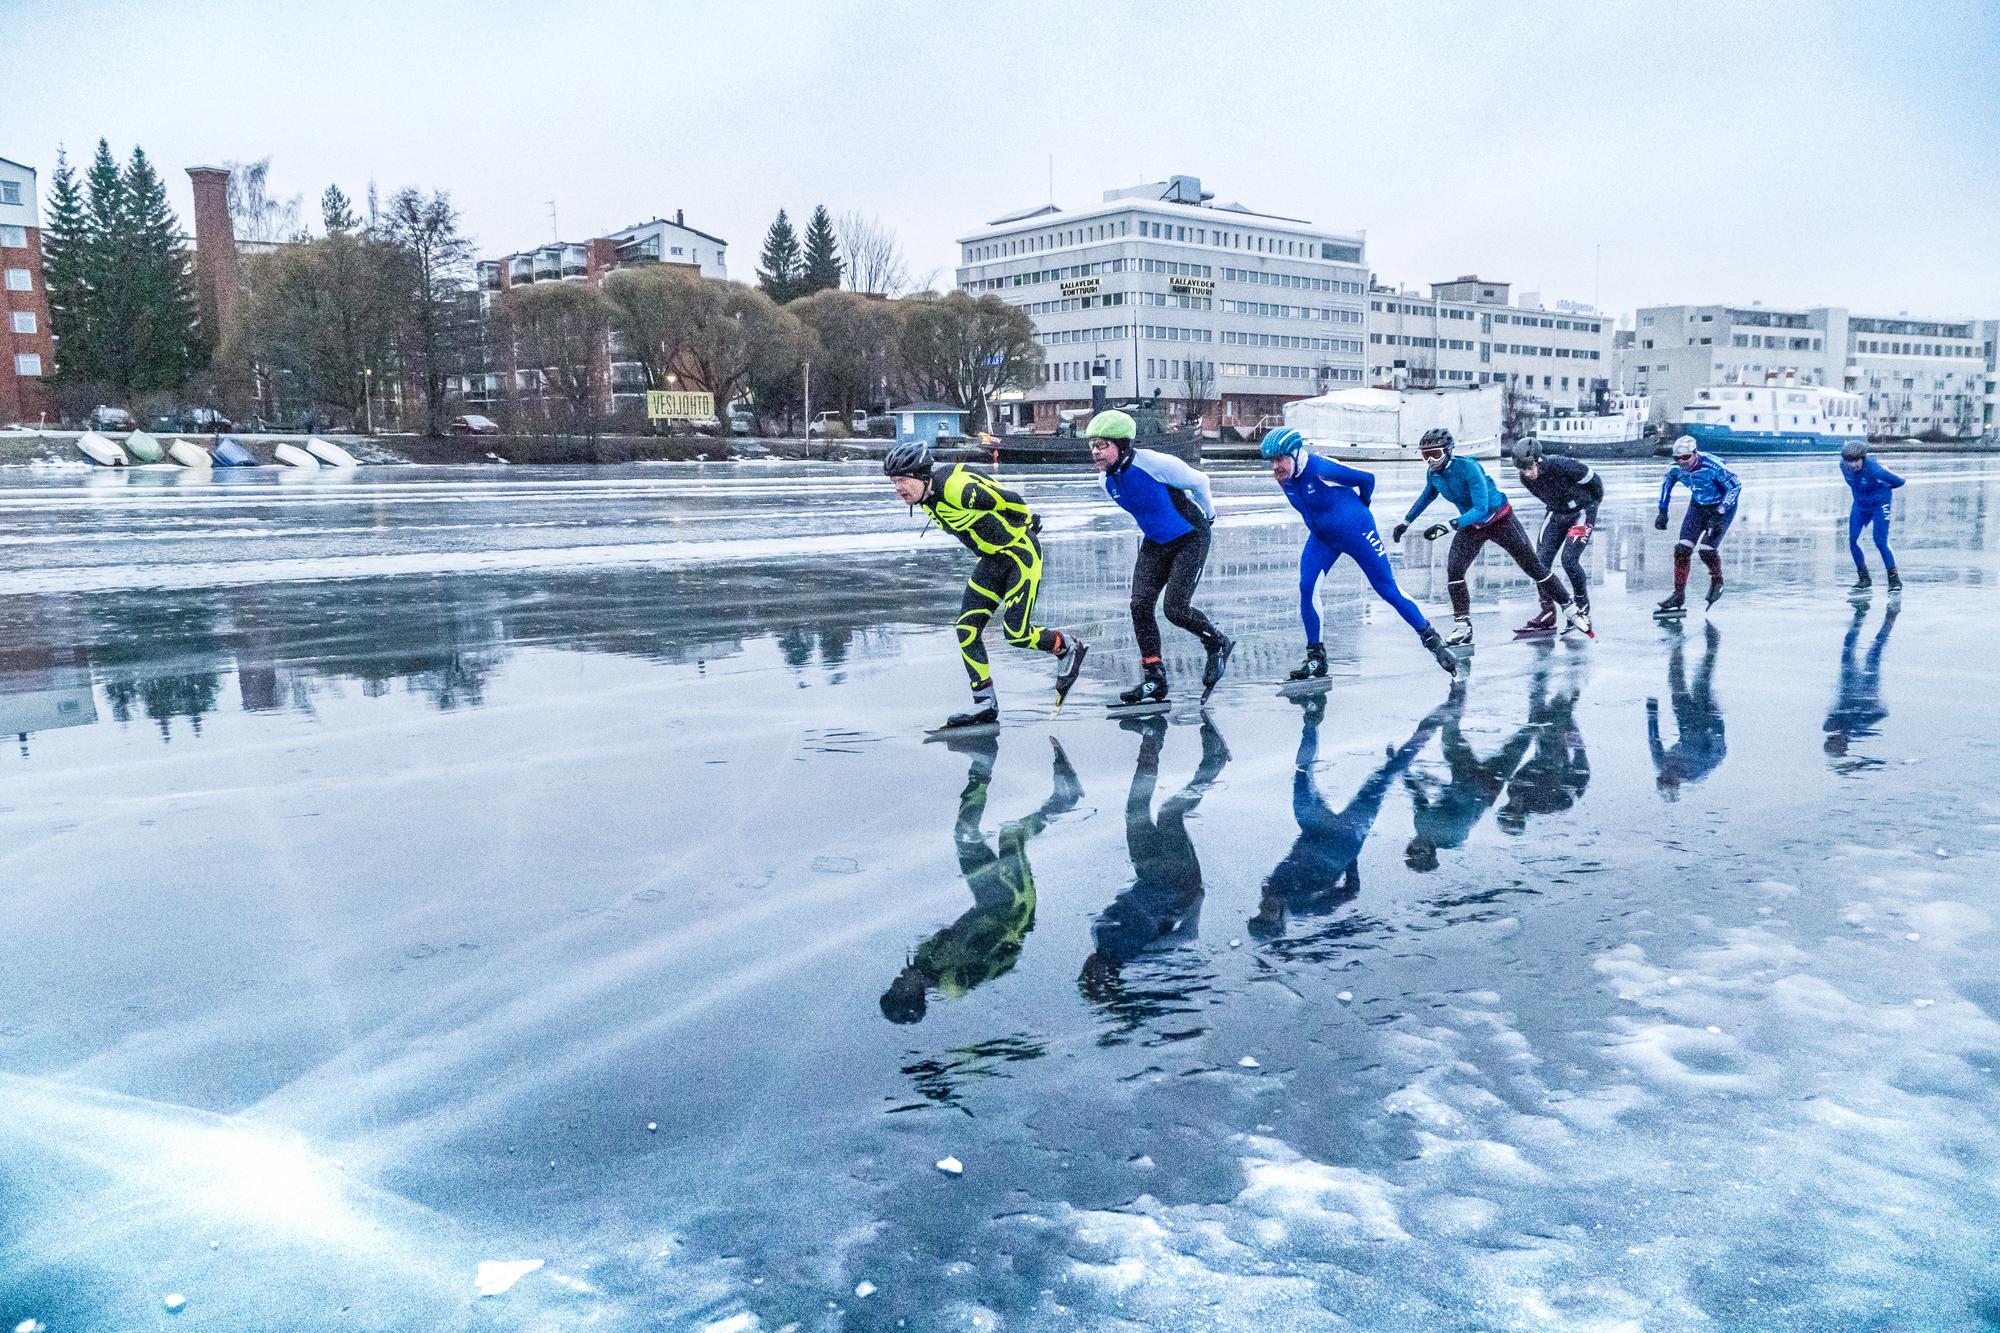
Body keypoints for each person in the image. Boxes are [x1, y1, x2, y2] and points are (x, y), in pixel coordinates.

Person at [884, 441, 1088, 729]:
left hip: (1019, 554)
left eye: (902, 480)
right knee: (966, 630)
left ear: (921, 476)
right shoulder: (925, 498)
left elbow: (1010, 498)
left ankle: (1066, 646)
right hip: (992, 561)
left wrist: (1028, 521)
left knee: (1016, 633)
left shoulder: (960, 491)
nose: (898, 488)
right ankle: (984, 703)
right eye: (894, 482)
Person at [881, 732, 1082, 1024]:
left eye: (892, 985)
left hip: (988, 901)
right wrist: (1010, 930)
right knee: (1011, 837)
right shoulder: (952, 983)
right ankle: (1066, 798)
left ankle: (982, 763)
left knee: (964, 836)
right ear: (913, 995)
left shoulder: (923, 958)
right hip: (1013, 908)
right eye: (899, 989)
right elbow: (1002, 957)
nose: (897, 981)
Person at [1249, 691, 1445, 946]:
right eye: (1269, 916)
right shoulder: (1309, 908)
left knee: (1301, 775)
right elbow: (1351, 891)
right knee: (1382, 778)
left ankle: (1311, 719)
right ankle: (1426, 733)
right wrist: (1351, 855)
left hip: (1313, 829)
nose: (1265, 909)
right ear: (1281, 920)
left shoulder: (1269, 890)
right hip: (1345, 837)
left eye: (1260, 914)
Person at [1260, 427, 1459, 678]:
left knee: (1387, 588)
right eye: (1271, 461)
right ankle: (1316, 658)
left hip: (1357, 532)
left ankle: (1433, 641)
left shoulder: (1320, 468)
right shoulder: (1285, 478)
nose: (1275, 467)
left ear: (1296, 454)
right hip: (1323, 538)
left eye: (1279, 459)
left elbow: (1367, 479)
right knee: (1307, 587)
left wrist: (1361, 509)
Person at [1078, 715, 1229, 1026]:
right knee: (1170, 813)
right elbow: (1187, 935)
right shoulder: (1141, 952)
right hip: (1178, 880)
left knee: (1135, 807)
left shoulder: (1098, 934)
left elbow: (1128, 901)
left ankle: (1151, 738)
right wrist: (1195, 900)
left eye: (1088, 974)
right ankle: (1215, 760)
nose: (1093, 971)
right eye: (1100, 979)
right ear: (1113, 977)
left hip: (1147, 871)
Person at [1086, 409, 1233, 706]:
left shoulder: (1154, 463)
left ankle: (1217, 642)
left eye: (1102, 445)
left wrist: (1210, 514)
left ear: (1122, 445)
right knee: (1140, 606)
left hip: (1191, 537)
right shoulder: (1106, 481)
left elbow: (1200, 481)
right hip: (1156, 542)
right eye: (1091, 445)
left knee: (1175, 609)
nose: (1095, 452)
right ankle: (1155, 678)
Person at [1391, 428, 1586, 647]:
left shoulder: (1469, 468)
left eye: (1435, 454)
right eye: (1425, 455)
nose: (1430, 461)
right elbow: (1428, 494)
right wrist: (1406, 522)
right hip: (1472, 525)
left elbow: (1481, 508)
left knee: (1534, 567)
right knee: (1454, 571)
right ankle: (1463, 626)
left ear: (1448, 451)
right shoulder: (1434, 474)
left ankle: (1570, 608)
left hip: (1499, 519)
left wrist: (1448, 525)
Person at [1401, 680, 1537, 871]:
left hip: (1465, 777)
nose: (1415, 847)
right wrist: (1435, 783)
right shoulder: (1453, 836)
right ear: (1430, 852)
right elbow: (1468, 801)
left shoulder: (1421, 825)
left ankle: (1458, 683)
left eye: (1411, 850)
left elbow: (1417, 796)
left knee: (1450, 732)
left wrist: (1402, 769)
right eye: (1419, 852)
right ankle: (1544, 704)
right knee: (1521, 740)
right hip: (1487, 785)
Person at [1509, 440, 1603, 635]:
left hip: (1582, 512)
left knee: (1569, 559)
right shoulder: (1525, 478)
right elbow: (1545, 495)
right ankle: (1547, 612)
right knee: (1538, 563)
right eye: (1523, 470)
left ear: (1539, 460)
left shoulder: (1563, 465)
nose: (1528, 473)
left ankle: (1582, 606)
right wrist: (1558, 506)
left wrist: (1592, 505)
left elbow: (1596, 483)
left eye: (1530, 467)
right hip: (1556, 513)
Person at [1654, 437, 1741, 614]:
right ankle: (1678, 594)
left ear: (1695, 454)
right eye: (1676, 458)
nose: (1681, 462)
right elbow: (1666, 486)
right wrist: (1662, 511)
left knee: (1706, 550)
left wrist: (1720, 512)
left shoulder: (1713, 466)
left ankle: (1717, 581)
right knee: (1682, 549)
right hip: (1698, 505)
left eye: (1685, 457)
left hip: (1721, 506)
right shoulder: (1674, 469)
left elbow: (1735, 487)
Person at [1647, 622, 1726, 797]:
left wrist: (1651, 713)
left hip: (1685, 721)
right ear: (1677, 784)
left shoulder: (1662, 764)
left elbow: (1654, 741)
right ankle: (1712, 643)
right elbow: (1720, 752)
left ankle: (1676, 645)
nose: (1665, 774)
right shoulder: (1697, 772)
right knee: (1701, 681)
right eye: (1667, 779)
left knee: (1676, 682)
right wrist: (1713, 724)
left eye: (1661, 778)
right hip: (1707, 720)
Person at [1824, 599, 1898, 768]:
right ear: (1844, 743)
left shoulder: (1828, 726)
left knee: (1848, 647)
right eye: (1836, 741)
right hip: (1865, 691)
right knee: (1874, 652)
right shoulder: (1857, 730)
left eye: (1832, 740)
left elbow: (1834, 712)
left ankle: (1860, 614)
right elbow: (1881, 713)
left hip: (1848, 685)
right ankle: (1890, 617)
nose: (1833, 737)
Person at [1840, 440, 1905, 594]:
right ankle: (1864, 578)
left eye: (1856, 461)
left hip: (1879, 504)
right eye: (1849, 461)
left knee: (1880, 540)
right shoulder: (1843, 466)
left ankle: (1894, 580)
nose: (1853, 465)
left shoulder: (1875, 469)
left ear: (1863, 458)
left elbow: (1900, 481)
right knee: (1853, 540)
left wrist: (1881, 490)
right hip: (1860, 505)